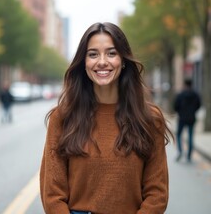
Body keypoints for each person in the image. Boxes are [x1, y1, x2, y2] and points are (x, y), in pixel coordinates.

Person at [40, 22, 173, 214]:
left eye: (111, 53)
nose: (102, 61)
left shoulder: (150, 118)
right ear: (84, 63)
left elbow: (157, 193)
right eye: (93, 54)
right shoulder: (62, 117)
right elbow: (52, 194)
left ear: (124, 60)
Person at [174, 79, 201, 162]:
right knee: (190, 136)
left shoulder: (180, 95)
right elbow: (198, 105)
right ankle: (189, 155)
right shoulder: (195, 95)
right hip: (191, 118)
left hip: (182, 118)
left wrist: (180, 112)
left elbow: (175, 106)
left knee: (178, 135)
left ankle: (180, 151)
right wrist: (193, 111)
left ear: (185, 85)